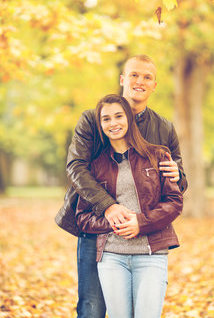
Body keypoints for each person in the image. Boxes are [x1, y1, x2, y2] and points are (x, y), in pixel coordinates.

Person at [55, 54, 187, 318]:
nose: (139, 81)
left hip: (147, 236)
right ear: (122, 79)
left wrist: (179, 176)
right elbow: (76, 167)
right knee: (92, 308)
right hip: (97, 227)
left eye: (147, 77)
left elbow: (177, 178)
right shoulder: (93, 120)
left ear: (154, 85)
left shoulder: (163, 128)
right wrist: (108, 207)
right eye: (134, 75)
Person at [75, 94, 183, 318]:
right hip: (112, 256)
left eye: (118, 116)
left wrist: (140, 223)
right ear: (100, 124)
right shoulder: (96, 165)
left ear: (129, 119)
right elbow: (82, 216)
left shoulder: (158, 155)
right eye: (106, 119)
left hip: (151, 254)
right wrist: (112, 222)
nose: (113, 123)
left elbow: (174, 202)